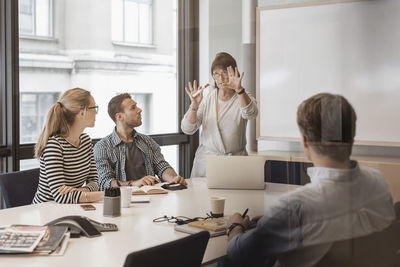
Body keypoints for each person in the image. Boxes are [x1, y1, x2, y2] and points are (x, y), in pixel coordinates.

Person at [225, 93, 395, 266]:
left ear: (305, 142)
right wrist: (274, 222)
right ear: (352, 137)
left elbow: (238, 254)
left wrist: (235, 226)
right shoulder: (378, 182)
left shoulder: (295, 208)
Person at [181, 52, 258, 177]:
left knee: (236, 197)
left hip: (235, 163)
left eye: (224, 73)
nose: (220, 78)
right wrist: (194, 105)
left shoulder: (243, 96)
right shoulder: (206, 99)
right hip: (206, 163)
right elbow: (187, 129)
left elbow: (251, 113)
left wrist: (239, 90)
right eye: (216, 74)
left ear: (234, 73)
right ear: (213, 76)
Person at [94, 93, 187, 190]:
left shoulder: (147, 141)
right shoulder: (102, 147)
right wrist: (134, 183)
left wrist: (173, 178)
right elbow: (105, 182)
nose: (139, 110)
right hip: (122, 202)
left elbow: (161, 166)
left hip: (152, 198)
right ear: (119, 116)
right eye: (133, 108)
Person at [33, 88, 104, 204]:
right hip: (46, 211)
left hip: (71, 207)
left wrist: (80, 191)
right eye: (94, 108)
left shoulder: (86, 141)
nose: (97, 112)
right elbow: (61, 197)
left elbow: (95, 181)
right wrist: (104, 195)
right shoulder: (54, 146)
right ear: (82, 113)